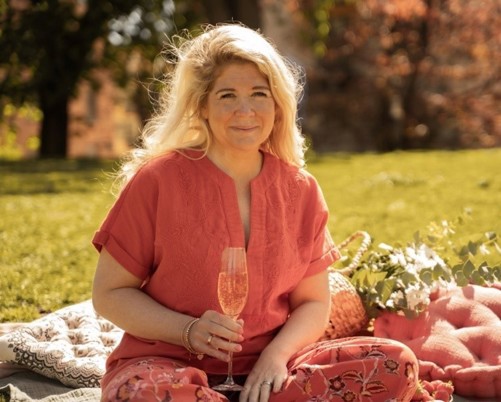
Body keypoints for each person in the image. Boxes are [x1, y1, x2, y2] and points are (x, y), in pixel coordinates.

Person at [92, 23, 418, 402]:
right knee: (145, 394)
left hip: (271, 374)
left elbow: (313, 301)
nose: (245, 110)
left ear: (277, 104)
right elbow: (111, 293)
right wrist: (187, 330)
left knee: (396, 363)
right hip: (167, 364)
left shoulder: (302, 189)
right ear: (202, 105)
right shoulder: (157, 181)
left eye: (259, 94)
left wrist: (275, 357)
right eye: (227, 95)